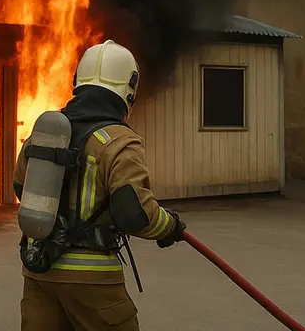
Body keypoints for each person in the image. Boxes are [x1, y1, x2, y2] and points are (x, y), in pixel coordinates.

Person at [14, 39, 187, 331]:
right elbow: (135, 214)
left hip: (40, 273)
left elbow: (21, 187)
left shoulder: (45, 133)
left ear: (77, 82)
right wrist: (169, 226)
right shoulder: (119, 141)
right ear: (128, 90)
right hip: (93, 282)